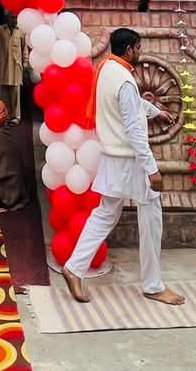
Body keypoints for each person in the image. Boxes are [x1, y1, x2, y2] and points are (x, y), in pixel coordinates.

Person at [62, 27, 184, 307]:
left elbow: (128, 106)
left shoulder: (106, 69)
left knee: (105, 213)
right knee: (151, 217)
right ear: (129, 49)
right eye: (138, 47)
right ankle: (153, 285)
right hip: (131, 160)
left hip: (111, 156)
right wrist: (151, 168)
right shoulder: (125, 79)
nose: (140, 52)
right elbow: (134, 128)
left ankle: (74, 267)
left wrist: (155, 111)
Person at [0, 14, 24, 121]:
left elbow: (24, 49)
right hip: (4, 68)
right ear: (7, 18)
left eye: (16, 18)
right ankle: (4, 116)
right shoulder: (2, 29)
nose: (14, 20)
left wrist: (26, 63)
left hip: (16, 68)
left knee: (16, 95)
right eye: (12, 17)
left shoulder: (21, 31)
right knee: (4, 95)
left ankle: (16, 116)